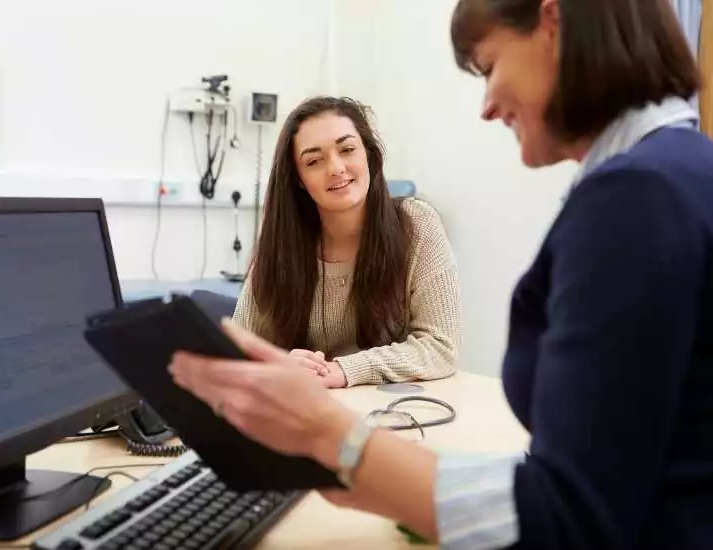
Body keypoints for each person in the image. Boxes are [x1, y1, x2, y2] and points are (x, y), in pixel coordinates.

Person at [169, 0, 713, 548]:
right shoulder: (676, 173)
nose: (487, 105)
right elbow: (604, 481)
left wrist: (336, 439)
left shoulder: (637, 199)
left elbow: (572, 515)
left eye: (489, 67)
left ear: (553, 26)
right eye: (313, 160)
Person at [232, 96, 462, 388]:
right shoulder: (281, 243)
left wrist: (344, 370)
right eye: (314, 161)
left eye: (347, 149)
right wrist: (277, 365)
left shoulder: (417, 224)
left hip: (394, 415)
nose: (336, 167)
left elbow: (441, 346)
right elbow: (238, 350)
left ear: (369, 153)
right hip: (305, 417)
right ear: (299, 179)